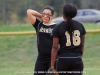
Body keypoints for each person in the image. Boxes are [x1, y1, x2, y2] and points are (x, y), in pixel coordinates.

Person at [50, 3, 86, 75]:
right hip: (77, 59)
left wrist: (52, 66)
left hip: (63, 60)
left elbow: (55, 47)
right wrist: (80, 57)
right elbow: (82, 45)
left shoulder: (58, 27)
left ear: (63, 14)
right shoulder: (80, 26)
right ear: (74, 14)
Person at [27, 6, 57, 75]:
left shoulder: (56, 27)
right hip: (41, 58)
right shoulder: (39, 25)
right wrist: (42, 16)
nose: (46, 15)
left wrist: (45, 16)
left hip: (52, 58)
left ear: (52, 16)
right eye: (44, 13)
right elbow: (29, 12)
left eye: (48, 14)